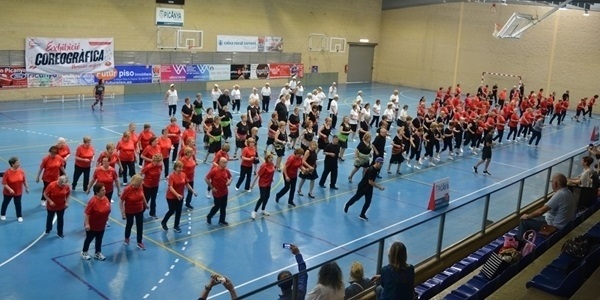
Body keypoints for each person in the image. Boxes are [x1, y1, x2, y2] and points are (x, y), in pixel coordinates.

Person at [343, 157, 386, 221]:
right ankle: (347, 204)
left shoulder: (376, 169)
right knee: (356, 198)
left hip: (369, 188)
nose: (381, 165)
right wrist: (379, 187)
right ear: (376, 162)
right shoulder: (371, 169)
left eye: (382, 163)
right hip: (363, 187)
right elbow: (370, 182)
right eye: (380, 163)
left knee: (368, 202)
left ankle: (362, 215)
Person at [161, 161, 197, 232]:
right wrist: (177, 194)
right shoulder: (171, 176)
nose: (180, 169)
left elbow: (187, 184)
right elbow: (171, 187)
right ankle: (164, 222)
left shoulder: (183, 175)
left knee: (178, 211)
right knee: (172, 210)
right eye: (179, 168)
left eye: (181, 167)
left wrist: (193, 191)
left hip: (180, 196)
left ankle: (176, 226)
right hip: (171, 197)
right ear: (175, 168)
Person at [81, 183, 111, 261]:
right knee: (89, 239)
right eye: (102, 190)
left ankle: (97, 253)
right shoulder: (92, 201)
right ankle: (84, 252)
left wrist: (106, 219)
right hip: (92, 225)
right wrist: (87, 224)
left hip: (101, 224)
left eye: (104, 189)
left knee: (99, 239)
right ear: (97, 192)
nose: (105, 191)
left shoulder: (105, 198)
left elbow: (107, 209)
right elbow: (87, 213)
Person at [119, 174, 148, 250]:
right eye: (139, 183)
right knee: (129, 224)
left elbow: (143, 195)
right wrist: (123, 213)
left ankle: (139, 242)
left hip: (139, 209)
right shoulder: (127, 190)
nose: (141, 184)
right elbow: (121, 202)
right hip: (129, 211)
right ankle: (127, 238)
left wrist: (145, 204)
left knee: (140, 226)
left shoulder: (140, 187)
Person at [205, 157, 233, 226]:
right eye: (224, 162)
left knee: (223, 207)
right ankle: (209, 216)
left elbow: (231, 177)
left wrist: (229, 181)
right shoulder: (214, 170)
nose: (225, 164)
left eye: (226, 162)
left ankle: (222, 220)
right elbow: (206, 178)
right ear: (219, 163)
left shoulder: (226, 170)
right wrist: (212, 187)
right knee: (217, 206)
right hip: (217, 192)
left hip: (224, 192)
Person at [1, 157, 29, 222]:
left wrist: (26, 187)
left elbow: (24, 180)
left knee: (18, 204)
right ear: (12, 164)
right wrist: (10, 189)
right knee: (5, 203)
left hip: (18, 192)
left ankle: (19, 216)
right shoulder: (7, 172)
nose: (19, 164)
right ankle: (2, 214)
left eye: (19, 162)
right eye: (17, 163)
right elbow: (4, 183)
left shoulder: (21, 171)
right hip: (8, 193)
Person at [250, 153, 276, 220]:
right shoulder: (264, 166)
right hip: (263, 183)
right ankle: (254, 211)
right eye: (269, 158)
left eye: (272, 158)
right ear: (266, 159)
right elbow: (258, 175)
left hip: (268, 183)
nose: (271, 159)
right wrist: (252, 184)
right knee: (262, 197)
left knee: (267, 196)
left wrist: (272, 178)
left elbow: (272, 172)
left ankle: (263, 209)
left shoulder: (272, 164)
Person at [141, 154, 163, 219]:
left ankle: (152, 213)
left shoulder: (160, 166)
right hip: (147, 185)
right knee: (146, 199)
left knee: (153, 199)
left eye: (159, 162)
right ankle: (141, 212)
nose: (158, 163)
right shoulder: (148, 167)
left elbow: (160, 171)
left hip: (155, 185)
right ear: (153, 161)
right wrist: (142, 181)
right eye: (157, 162)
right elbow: (141, 173)